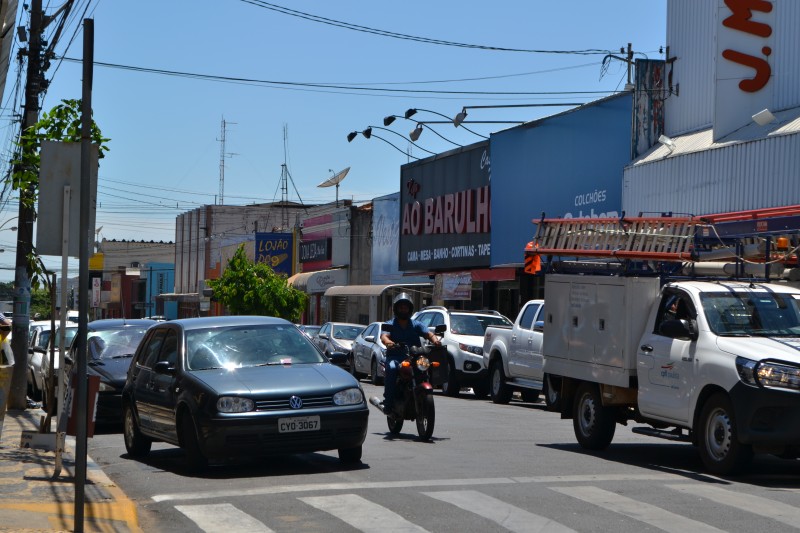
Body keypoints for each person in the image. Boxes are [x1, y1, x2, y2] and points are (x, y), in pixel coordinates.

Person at [370, 293, 441, 415]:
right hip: (395, 357)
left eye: (406, 307)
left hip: (414, 357)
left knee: (427, 366)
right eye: (401, 307)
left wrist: (435, 340)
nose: (403, 310)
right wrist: (389, 342)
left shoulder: (416, 324)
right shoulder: (391, 324)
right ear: (396, 309)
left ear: (410, 309)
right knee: (391, 368)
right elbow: (384, 336)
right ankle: (388, 403)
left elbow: (428, 333)